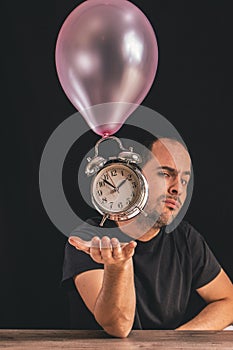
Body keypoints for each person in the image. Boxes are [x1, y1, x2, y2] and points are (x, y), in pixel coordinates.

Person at [62, 137, 233, 338]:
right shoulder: (90, 239)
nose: (178, 189)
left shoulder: (185, 239)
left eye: (184, 180)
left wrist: (176, 341)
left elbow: (228, 301)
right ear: (134, 176)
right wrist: (118, 266)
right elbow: (118, 326)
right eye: (166, 174)